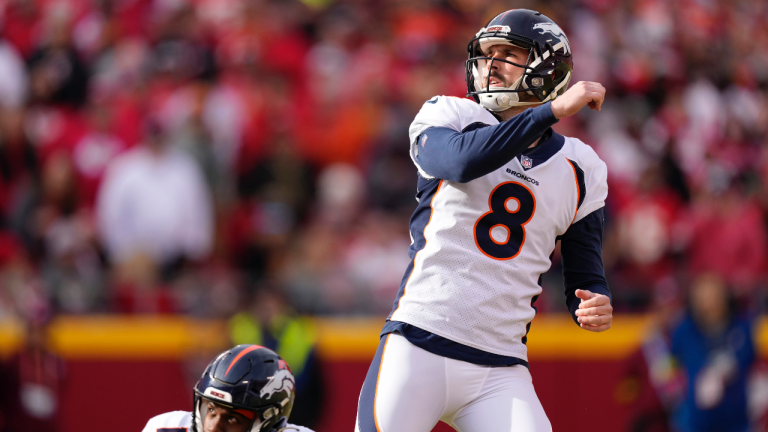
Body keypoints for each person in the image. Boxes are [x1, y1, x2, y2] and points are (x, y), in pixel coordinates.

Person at [356, 9, 612, 432]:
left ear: (548, 68)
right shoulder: (448, 114)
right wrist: (548, 112)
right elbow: (460, 162)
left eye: (508, 53)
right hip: (420, 340)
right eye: (487, 53)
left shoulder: (582, 167)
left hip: (500, 367)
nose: (491, 64)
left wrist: (593, 301)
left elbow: (584, 275)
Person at [141, 345, 314, 432]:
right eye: (211, 410)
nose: (213, 427)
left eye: (232, 418)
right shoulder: (166, 428)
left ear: (269, 422)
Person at [669, 273, 755, 432]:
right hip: (695, 422)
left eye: (713, 296)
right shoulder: (682, 331)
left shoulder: (742, 328)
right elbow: (670, 367)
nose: (709, 304)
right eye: (702, 298)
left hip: (737, 421)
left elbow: (751, 363)